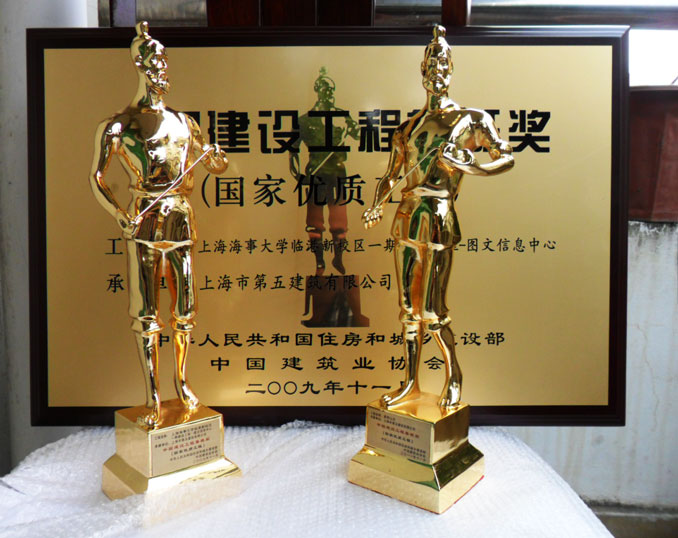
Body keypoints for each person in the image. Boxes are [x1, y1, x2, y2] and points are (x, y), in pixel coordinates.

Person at [362, 25, 514, 409]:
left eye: (443, 64)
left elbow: (505, 158)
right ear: (422, 70)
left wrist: (470, 166)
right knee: (407, 311)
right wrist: (377, 203)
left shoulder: (470, 120)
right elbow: (392, 176)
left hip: (438, 218)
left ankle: (453, 375)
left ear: (451, 70)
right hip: (406, 218)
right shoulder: (407, 128)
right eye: (432, 65)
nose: (437, 71)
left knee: (432, 310)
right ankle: (410, 383)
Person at [89, 22, 228, 428]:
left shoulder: (184, 122)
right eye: (155, 62)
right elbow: (97, 178)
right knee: (146, 315)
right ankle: (152, 395)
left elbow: (216, 165)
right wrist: (120, 213)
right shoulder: (119, 125)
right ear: (140, 65)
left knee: (185, 311)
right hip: (145, 222)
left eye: (164, 61)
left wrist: (215, 155)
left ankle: (181, 384)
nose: (162, 69)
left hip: (181, 220)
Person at [290, 67, 360, 275]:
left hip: (337, 175)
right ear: (317, 90)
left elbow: (358, 135)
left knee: (339, 222)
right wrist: (298, 175)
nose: (328, 92)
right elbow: (292, 150)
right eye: (324, 88)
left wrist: (355, 129)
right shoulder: (304, 120)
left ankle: (338, 259)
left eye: (331, 89)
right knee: (314, 223)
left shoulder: (342, 117)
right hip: (315, 175)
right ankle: (319, 262)